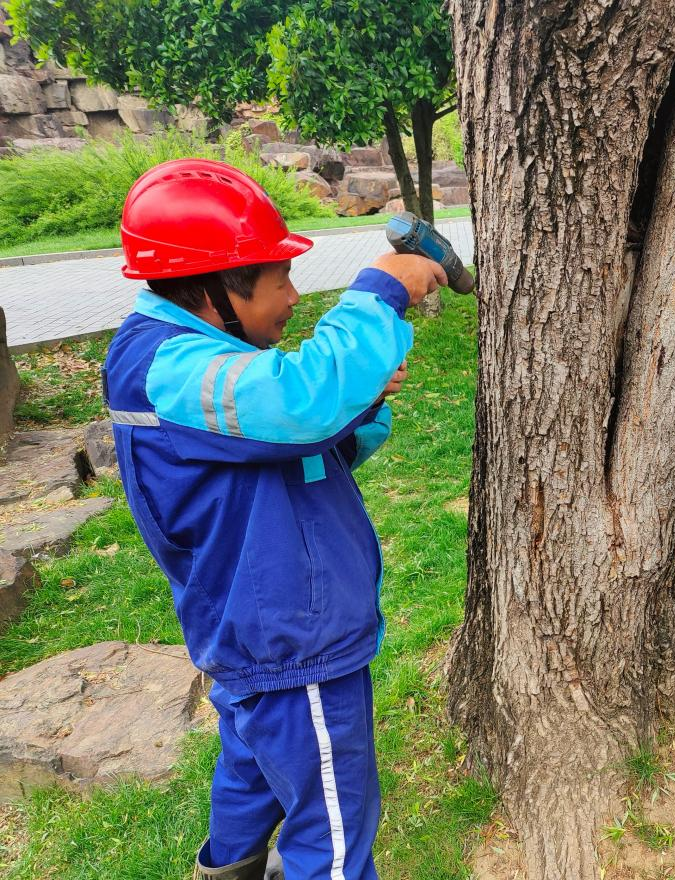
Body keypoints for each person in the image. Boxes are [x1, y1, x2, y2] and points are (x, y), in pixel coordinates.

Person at [103, 158, 448, 880]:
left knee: (251, 770)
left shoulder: (177, 355)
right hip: (292, 638)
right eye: (277, 278)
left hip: (247, 632)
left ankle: (228, 869)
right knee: (333, 824)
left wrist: (362, 404)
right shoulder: (168, 366)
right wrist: (383, 291)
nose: (294, 296)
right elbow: (302, 404)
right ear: (211, 287)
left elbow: (301, 446)